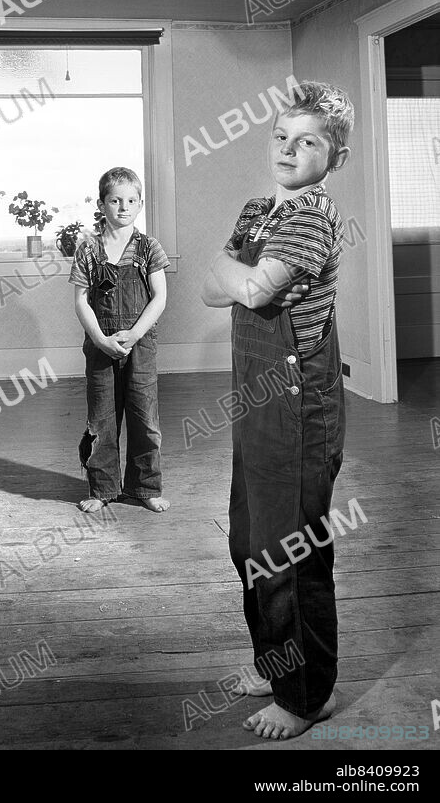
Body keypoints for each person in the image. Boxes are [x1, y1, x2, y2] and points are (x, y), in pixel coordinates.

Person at [201, 79, 354, 741]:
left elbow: (253, 289)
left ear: (335, 156)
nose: (289, 150)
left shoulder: (313, 213)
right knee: (251, 540)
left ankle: (304, 694)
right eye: (281, 136)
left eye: (308, 141)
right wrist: (239, 277)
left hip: (298, 401)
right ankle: (274, 660)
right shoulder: (260, 208)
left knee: (291, 549)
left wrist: (237, 273)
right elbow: (214, 289)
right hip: (257, 399)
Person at [70, 167, 170, 514]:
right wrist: (100, 339)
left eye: (130, 200)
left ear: (140, 204)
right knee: (101, 419)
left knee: (145, 418)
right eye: (115, 200)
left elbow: (159, 297)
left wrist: (135, 333)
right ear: (102, 204)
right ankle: (102, 488)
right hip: (101, 346)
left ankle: (146, 487)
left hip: (140, 345)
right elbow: (81, 300)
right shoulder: (88, 250)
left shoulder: (148, 249)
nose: (123, 207)